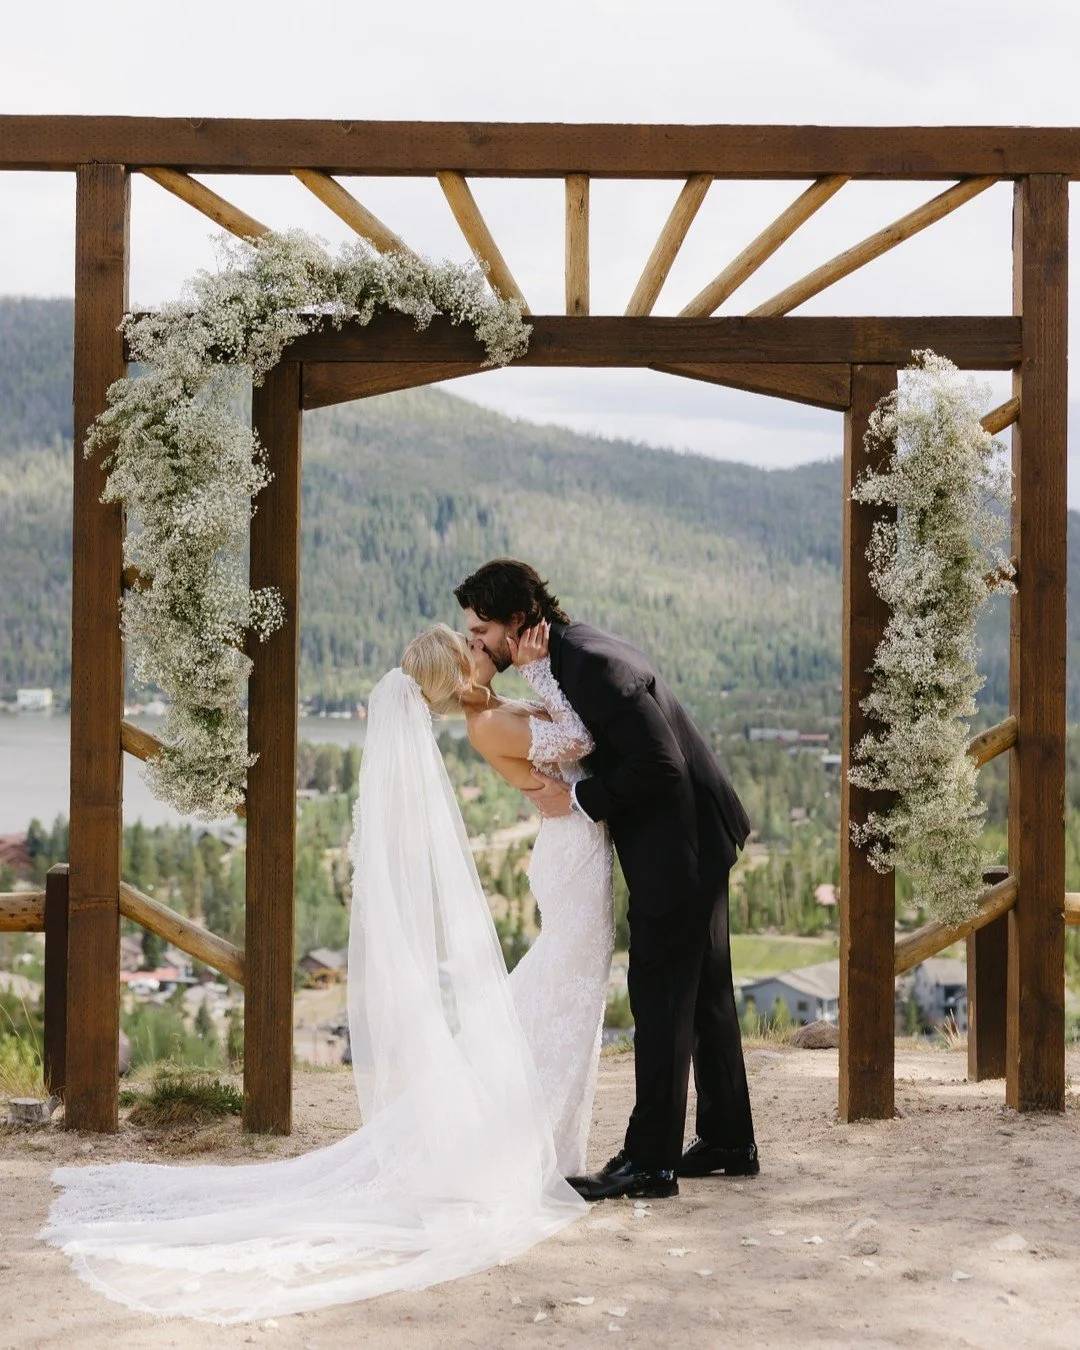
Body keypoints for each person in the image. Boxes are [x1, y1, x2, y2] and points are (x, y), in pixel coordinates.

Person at [39, 623, 613, 1324]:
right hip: (571, 846)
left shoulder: (480, 712)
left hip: (573, 845)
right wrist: (544, 674)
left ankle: (541, 1134)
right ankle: (536, 1141)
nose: (480, 650)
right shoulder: (488, 718)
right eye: (470, 650)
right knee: (552, 994)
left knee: (544, 998)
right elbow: (582, 743)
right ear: (459, 679)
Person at [455, 558, 757, 1201]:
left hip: (677, 851)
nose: (474, 642)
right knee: (705, 994)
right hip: (696, 837)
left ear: (515, 621)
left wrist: (582, 804)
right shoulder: (572, 654)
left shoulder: (588, 665)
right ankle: (731, 1140)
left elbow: (661, 765)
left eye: (480, 629)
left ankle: (649, 1163)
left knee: (660, 1001)